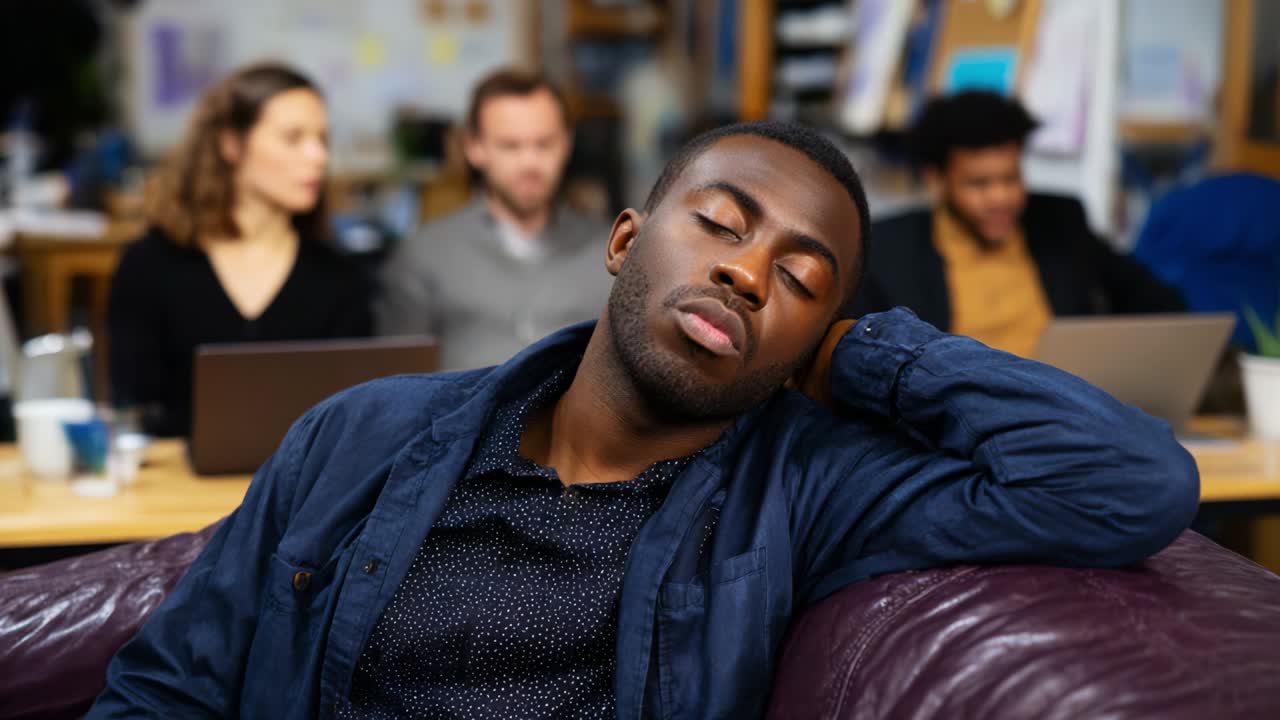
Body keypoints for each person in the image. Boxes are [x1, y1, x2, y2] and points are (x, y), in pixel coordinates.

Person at [87, 122, 1198, 719]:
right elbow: (169, 684)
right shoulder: (359, 434)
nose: (747, 274)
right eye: (719, 223)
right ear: (624, 242)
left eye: (801, 280)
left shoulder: (804, 495)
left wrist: (865, 353)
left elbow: (1128, 480)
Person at [108, 63, 372, 437]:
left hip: (302, 489)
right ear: (231, 144)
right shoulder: (150, 264)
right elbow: (131, 406)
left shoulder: (339, 275)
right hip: (173, 486)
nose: (318, 157)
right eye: (293, 138)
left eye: (322, 140)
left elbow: (354, 416)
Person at [853, 91, 1185, 358]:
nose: (1001, 198)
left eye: (1011, 178)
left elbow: (1155, 300)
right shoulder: (889, 249)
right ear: (937, 180)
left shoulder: (1060, 221)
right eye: (979, 184)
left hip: (1068, 409)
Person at [376, 68, 613, 370]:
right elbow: (395, 385)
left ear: (567, 144)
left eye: (544, 144)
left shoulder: (609, 254)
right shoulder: (424, 256)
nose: (530, 162)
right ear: (474, 147)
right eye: (510, 146)